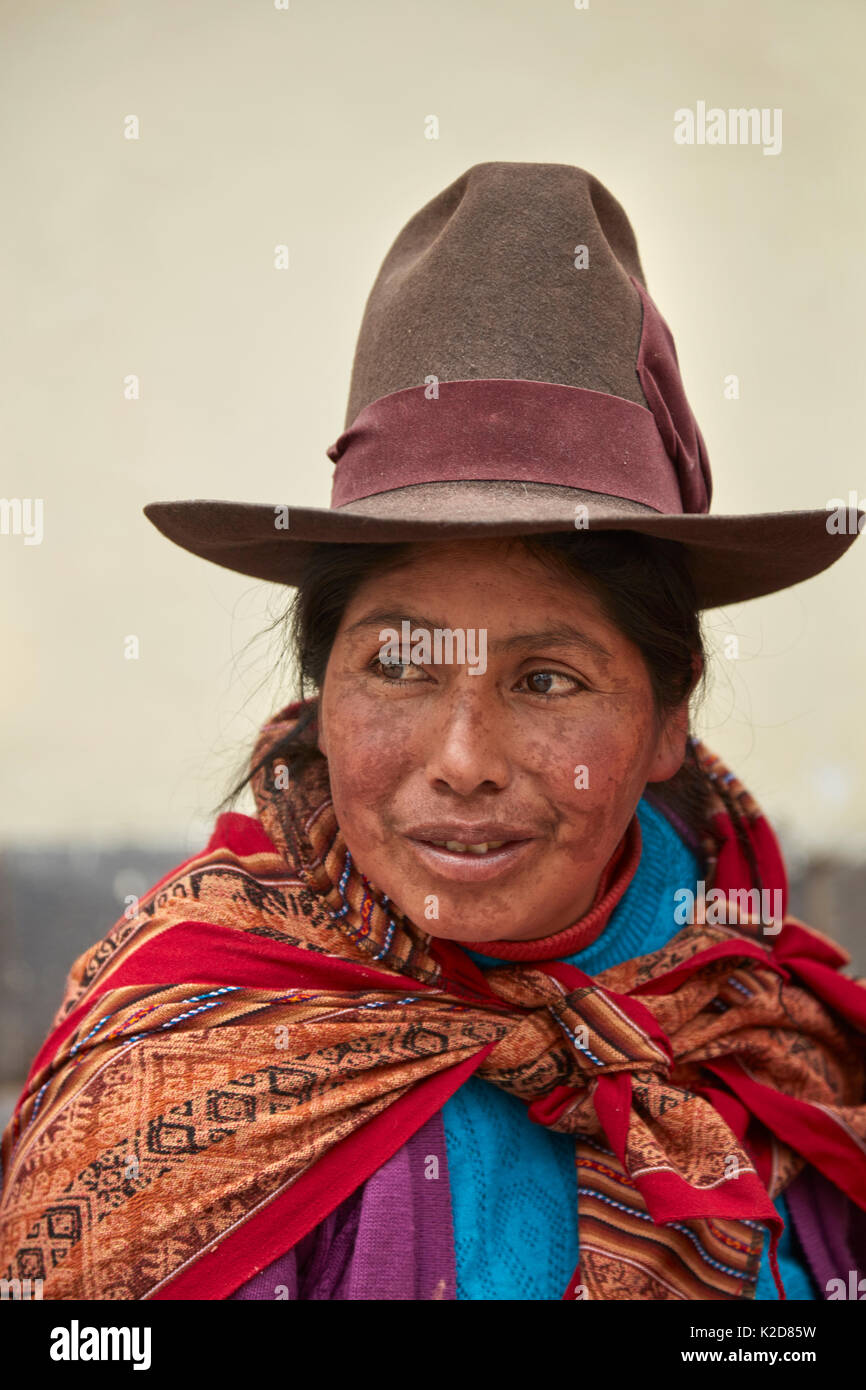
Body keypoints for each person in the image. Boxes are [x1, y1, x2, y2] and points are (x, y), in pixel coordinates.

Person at [2, 162, 864, 1301]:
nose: (460, 761)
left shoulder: (765, 1031)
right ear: (319, 688)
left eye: (547, 678)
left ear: (668, 715)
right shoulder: (173, 1066)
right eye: (399, 664)